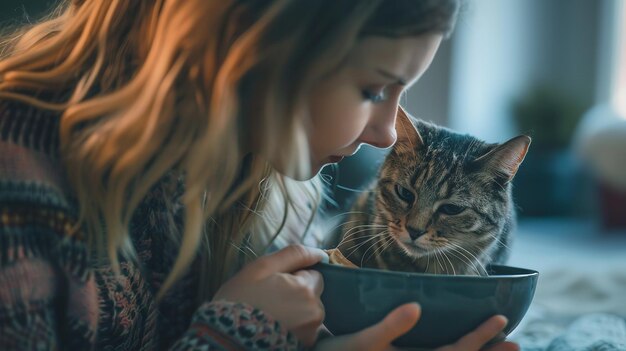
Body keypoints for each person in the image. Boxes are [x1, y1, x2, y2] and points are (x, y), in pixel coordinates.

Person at [0, 0, 520, 350]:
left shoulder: (275, 187)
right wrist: (231, 336)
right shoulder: (18, 164)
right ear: (253, 49)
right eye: (372, 90)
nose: (387, 135)